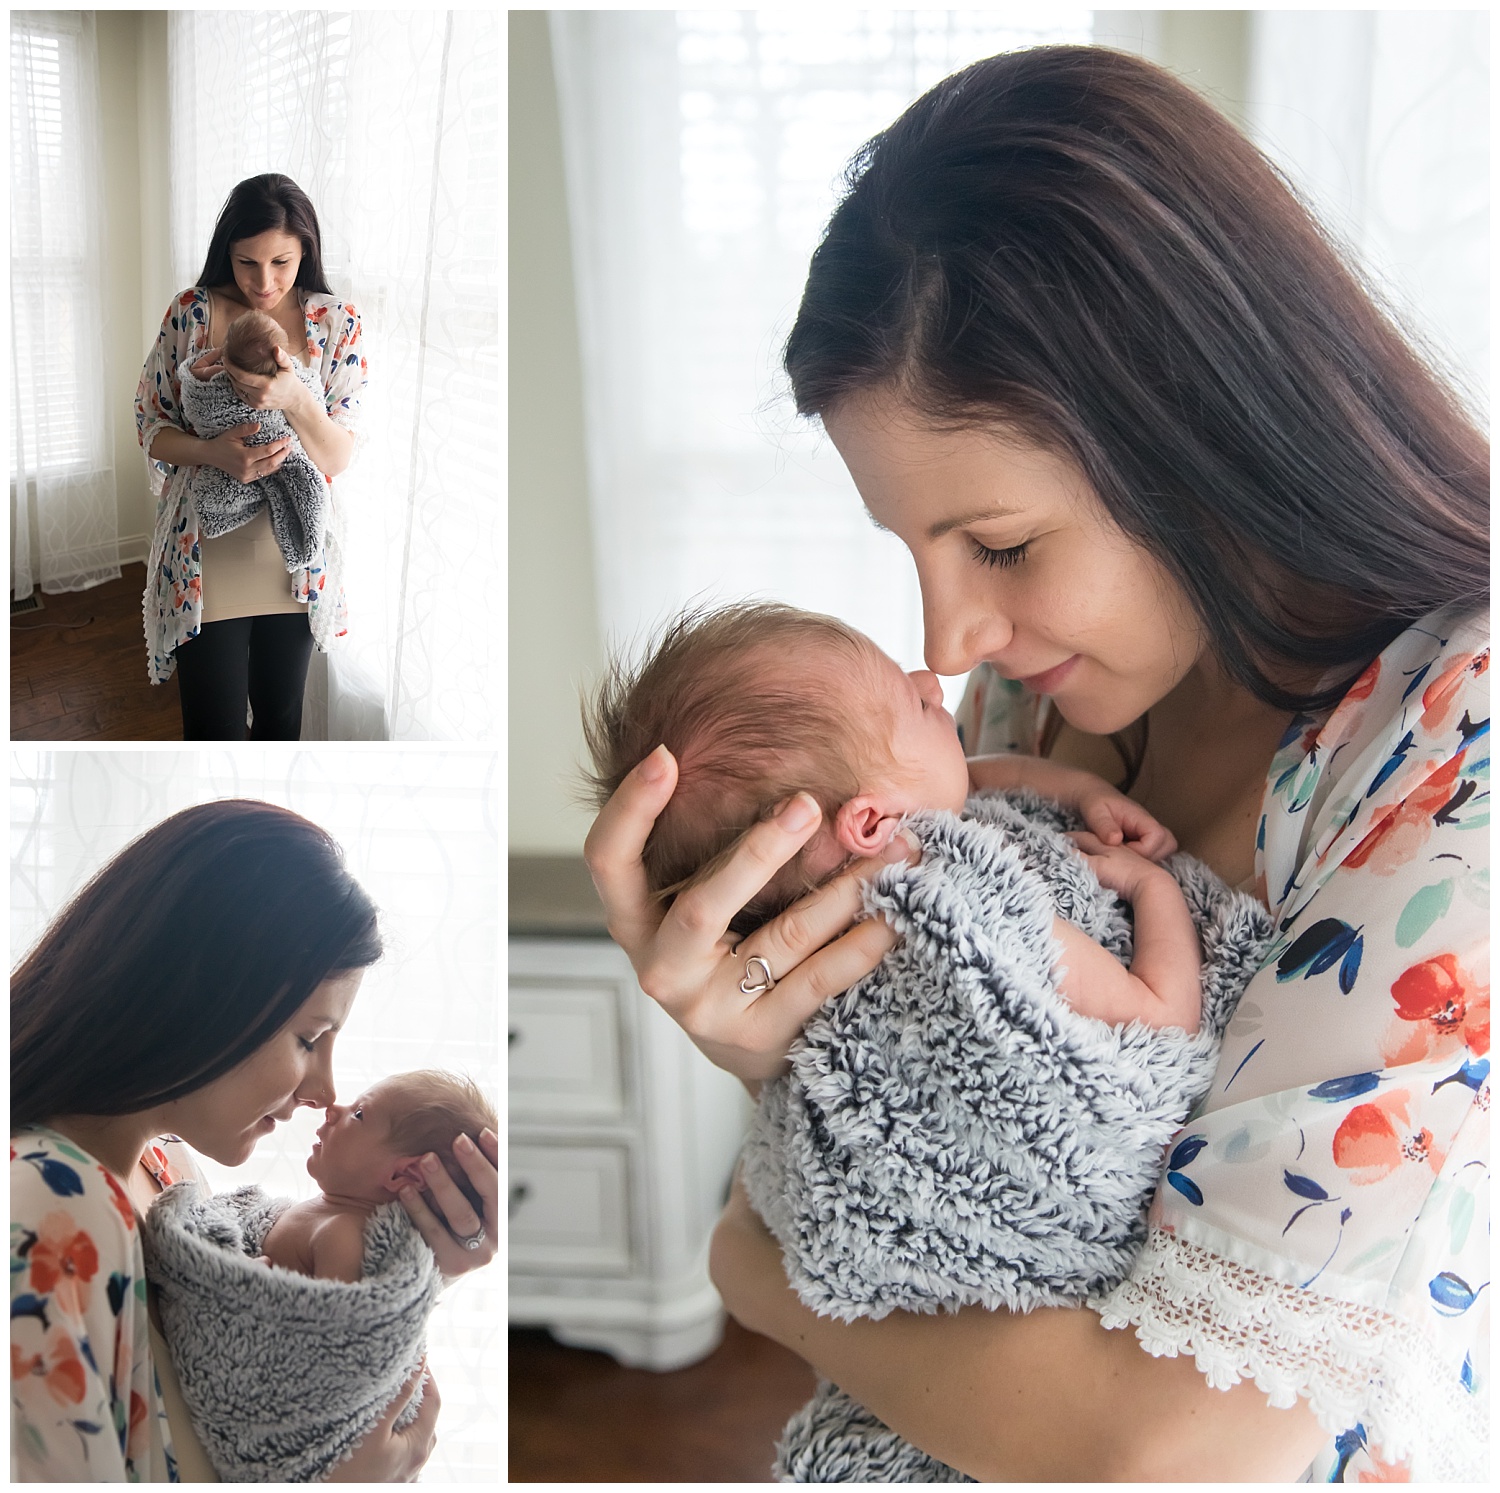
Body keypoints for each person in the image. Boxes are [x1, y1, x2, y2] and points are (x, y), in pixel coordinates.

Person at [582, 45, 1488, 1482]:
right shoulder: (1025, 711)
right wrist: (773, 1046)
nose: (949, 637)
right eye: (913, 549)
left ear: (1206, 437)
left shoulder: (1456, 743)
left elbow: (1174, 1447)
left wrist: (755, 1269)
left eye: (1000, 545)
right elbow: (963, 1177)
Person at [10, 800, 500, 1482]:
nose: (326, 1091)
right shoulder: (46, 1207)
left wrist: (419, 1268)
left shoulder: (165, 1162)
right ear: (201, 996)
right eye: (308, 1039)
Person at [583, 600, 1201, 1032]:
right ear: (872, 825)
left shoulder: (868, 870)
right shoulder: (971, 919)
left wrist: (1083, 790)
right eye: (914, 701)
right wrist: (1153, 887)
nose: (932, 679)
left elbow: (973, 776)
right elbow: (1163, 1016)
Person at [134, 173, 368, 740]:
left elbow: (338, 455)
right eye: (247, 263)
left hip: (298, 560)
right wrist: (213, 454)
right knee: (211, 729)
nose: (265, 282)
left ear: (305, 252)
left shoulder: (336, 325)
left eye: (282, 263)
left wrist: (293, 398)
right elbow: (150, 424)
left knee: (280, 723)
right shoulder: (191, 313)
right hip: (204, 558)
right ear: (226, 254)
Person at [262, 1069, 498, 1281]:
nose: (332, 1109)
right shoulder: (330, 1215)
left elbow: (333, 1325)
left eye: (359, 1114)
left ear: (404, 1175)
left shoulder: (342, 1237)